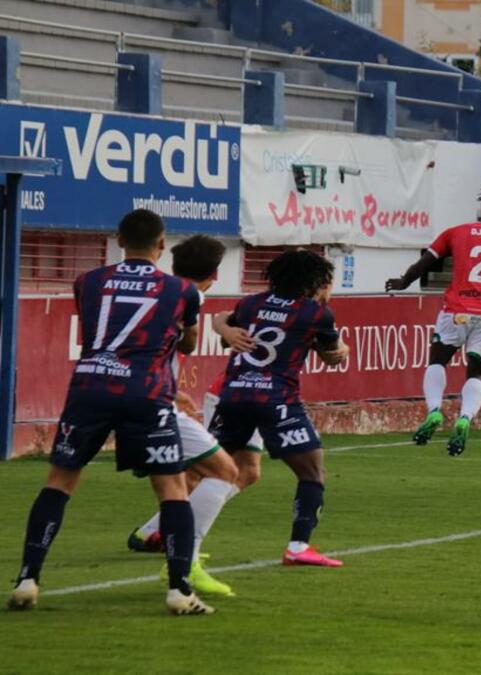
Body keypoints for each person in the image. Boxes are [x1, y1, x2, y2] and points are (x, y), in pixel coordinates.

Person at [8, 209, 213, 615]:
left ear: (119, 240)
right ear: (161, 244)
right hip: (146, 391)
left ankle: (28, 579)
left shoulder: (87, 281)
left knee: (60, 480)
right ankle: (179, 590)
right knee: (171, 488)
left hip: (90, 386)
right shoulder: (182, 291)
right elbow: (187, 345)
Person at [124, 235, 258, 597]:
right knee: (225, 471)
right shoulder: (186, 298)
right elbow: (186, 342)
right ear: (214, 274)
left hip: (138, 394)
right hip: (153, 402)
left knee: (193, 475)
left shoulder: (159, 292)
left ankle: (165, 541)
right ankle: (184, 556)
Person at [208, 249, 350, 567]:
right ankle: (299, 546)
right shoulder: (315, 314)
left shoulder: (251, 303)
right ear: (316, 282)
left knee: (206, 469)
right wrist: (341, 347)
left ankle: (164, 529)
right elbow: (332, 355)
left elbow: (221, 323)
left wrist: (226, 331)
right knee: (312, 471)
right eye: (328, 283)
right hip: (277, 400)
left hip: (234, 395)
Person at [385, 184, 481, 456]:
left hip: (456, 310)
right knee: (476, 373)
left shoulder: (457, 231)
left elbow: (426, 261)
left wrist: (403, 281)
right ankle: (465, 418)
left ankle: (435, 411)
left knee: (438, 360)